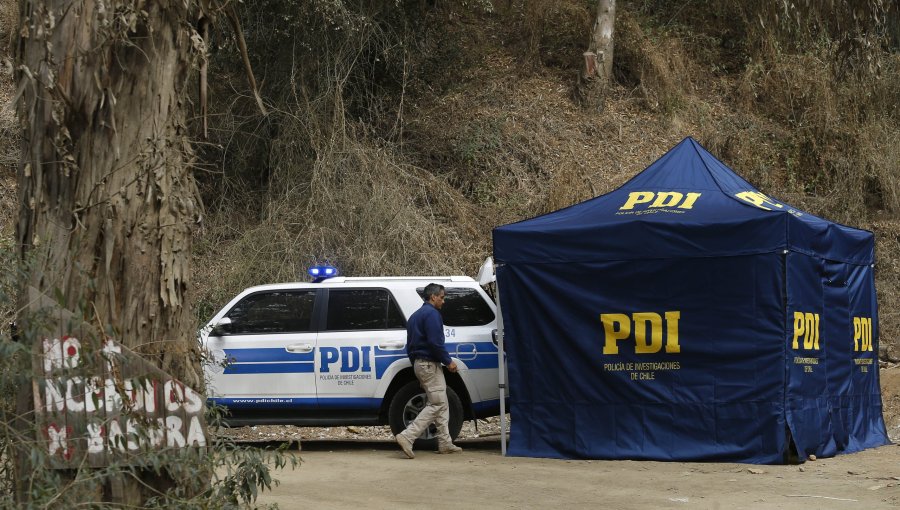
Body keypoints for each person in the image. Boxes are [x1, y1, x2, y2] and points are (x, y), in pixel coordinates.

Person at [395, 283, 463, 458]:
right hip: (430, 365)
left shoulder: (415, 316)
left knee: (442, 402)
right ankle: (407, 436)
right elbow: (435, 343)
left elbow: (410, 347)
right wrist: (448, 362)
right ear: (433, 297)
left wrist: (417, 368)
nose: (443, 301)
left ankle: (445, 442)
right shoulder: (432, 315)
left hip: (420, 364)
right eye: (442, 297)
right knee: (437, 404)